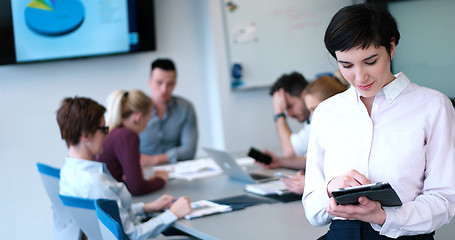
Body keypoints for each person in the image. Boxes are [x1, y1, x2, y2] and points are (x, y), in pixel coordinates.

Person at [302, 3, 455, 239]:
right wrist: (330, 189)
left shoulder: (433, 107)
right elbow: (313, 209)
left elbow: (444, 201)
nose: (360, 77)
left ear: (391, 47)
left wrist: (383, 217)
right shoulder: (327, 112)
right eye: (347, 65)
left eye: (371, 61)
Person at [57, 96, 192, 240]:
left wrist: (147, 207)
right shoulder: (96, 183)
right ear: (86, 136)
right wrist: (173, 214)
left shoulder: (68, 173)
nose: (107, 135)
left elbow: (110, 217)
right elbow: (132, 234)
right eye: (103, 129)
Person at [266, 75, 348, 195]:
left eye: (315, 109)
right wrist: (278, 162)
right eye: (311, 110)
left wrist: (310, 184)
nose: (313, 117)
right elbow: (310, 159)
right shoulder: (321, 128)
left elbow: (344, 178)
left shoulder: (346, 133)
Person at [95, 90, 168, 196]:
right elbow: (136, 188)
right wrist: (160, 180)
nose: (146, 125)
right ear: (138, 118)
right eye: (147, 119)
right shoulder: (127, 136)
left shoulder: (113, 132)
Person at [140, 58, 198, 166]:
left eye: (169, 84)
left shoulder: (186, 108)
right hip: (143, 170)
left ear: (175, 83)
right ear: (150, 82)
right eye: (159, 83)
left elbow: (189, 150)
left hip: (177, 171)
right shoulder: (137, 110)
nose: (164, 89)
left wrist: (155, 160)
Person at [269, 72, 310, 158]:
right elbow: (305, 160)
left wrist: (279, 114)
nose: (289, 114)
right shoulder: (309, 120)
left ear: (304, 94)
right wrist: (278, 162)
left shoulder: (319, 118)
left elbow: (290, 151)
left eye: (290, 106)